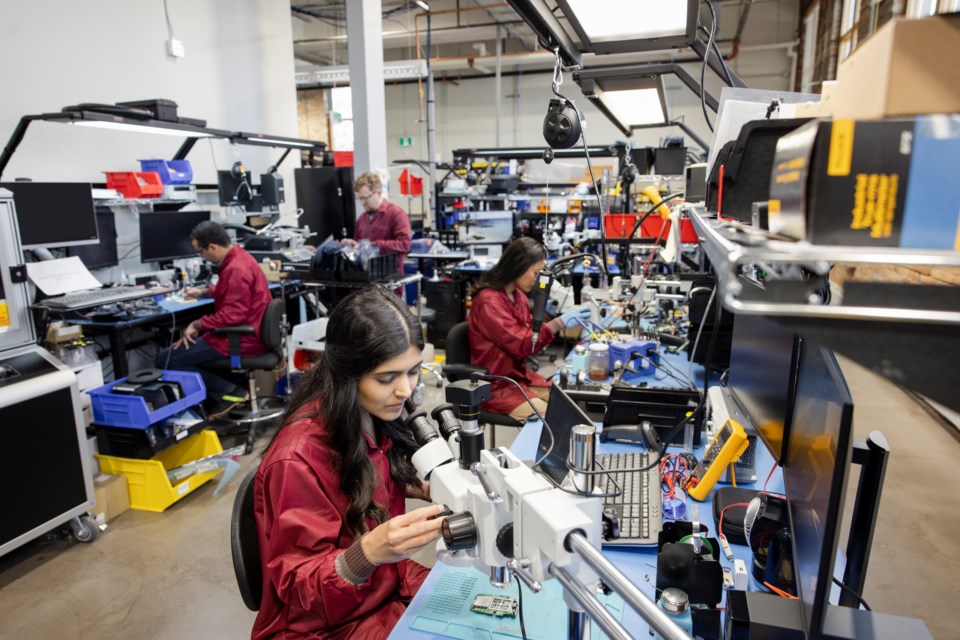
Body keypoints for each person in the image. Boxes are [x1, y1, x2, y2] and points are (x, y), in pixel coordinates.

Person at [252, 287, 443, 640]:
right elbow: (297, 589)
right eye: (387, 378)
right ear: (347, 373)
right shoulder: (296, 460)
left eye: (413, 372)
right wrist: (368, 551)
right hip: (324, 621)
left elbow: (365, 480)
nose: (404, 390)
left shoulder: (374, 412)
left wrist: (417, 484)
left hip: (387, 585)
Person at [155, 221, 272, 415]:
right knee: (182, 354)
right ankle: (226, 396)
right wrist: (204, 292)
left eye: (201, 252)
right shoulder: (240, 258)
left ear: (213, 247)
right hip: (250, 332)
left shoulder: (235, 269)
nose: (202, 256)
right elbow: (234, 294)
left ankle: (230, 392)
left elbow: (234, 314)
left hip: (240, 339)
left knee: (166, 359)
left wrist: (198, 324)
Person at [468, 238, 591, 422]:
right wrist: (558, 323)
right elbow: (521, 343)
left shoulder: (519, 296)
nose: (537, 279)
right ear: (518, 267)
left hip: (519, 377)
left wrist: (548, 317)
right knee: (555, 420)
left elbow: (529, 335)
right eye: (535, 273)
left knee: (569, 402)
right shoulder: (488, 301)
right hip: (497, 386)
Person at [342, 171, 412, 272]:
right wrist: (352, 245)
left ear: (378, 193)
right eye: (360, 198)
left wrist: (374, 245)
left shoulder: (396, 214)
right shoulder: (362, 219)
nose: (362, 202)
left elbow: (405, 245)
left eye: (365, 198)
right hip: (366, 279)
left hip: (389, 279)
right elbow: (359, 246)